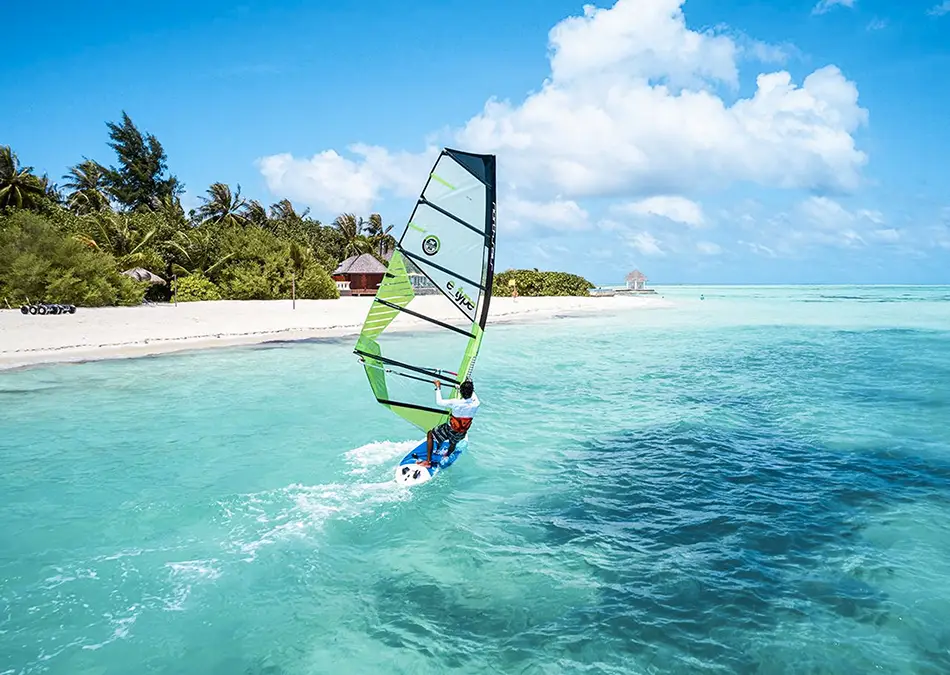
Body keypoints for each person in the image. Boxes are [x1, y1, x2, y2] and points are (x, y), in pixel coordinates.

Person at [418, 379, 479, 468]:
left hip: (450, 429)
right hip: (462, 431)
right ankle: (446, 455)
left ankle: (428, 462)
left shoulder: (455, 402)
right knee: (453, 442)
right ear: (471, 391)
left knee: (430, 434)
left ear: (461, 392)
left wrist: (438, 387)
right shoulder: (476, 404)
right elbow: (473, 394)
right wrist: (462, 387)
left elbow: (439, 402)